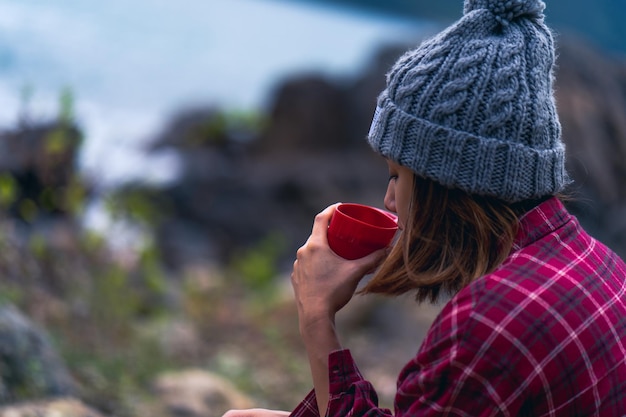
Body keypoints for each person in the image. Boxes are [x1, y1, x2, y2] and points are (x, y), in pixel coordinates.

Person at [223, 0, 626, 415]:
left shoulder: (487, 322)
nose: (389, 199)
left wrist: (316, 315)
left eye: (398, 175)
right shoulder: (605, 265)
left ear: (446, 182)